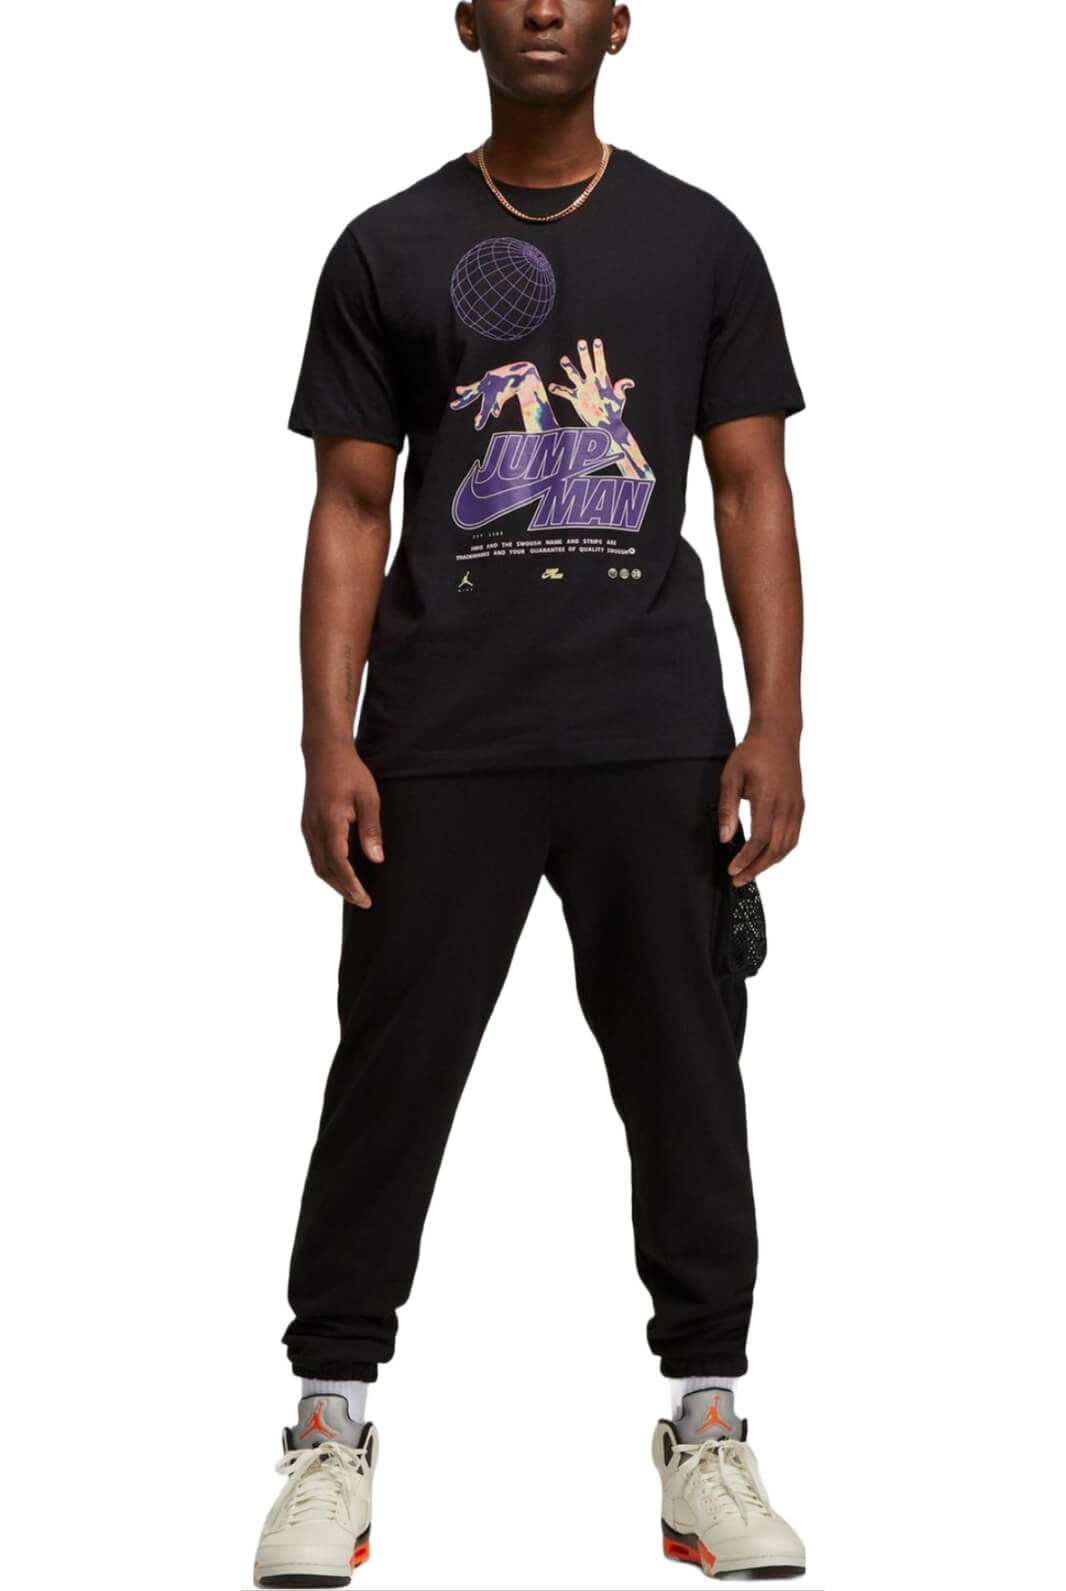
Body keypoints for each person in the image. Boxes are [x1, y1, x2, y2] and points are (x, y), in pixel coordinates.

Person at [252, 2, 808, 1584]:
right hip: (440, 737)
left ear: (619, 24)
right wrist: (326, 739)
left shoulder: (698, 241)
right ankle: (328, 1429)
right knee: (388, 1082)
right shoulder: (387, 246)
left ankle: (706, 1430)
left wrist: (773, 723)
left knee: (687, 1082)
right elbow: (350, 503)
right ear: (468, 21)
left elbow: (753, 485)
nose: (543, 6)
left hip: (653, 733)